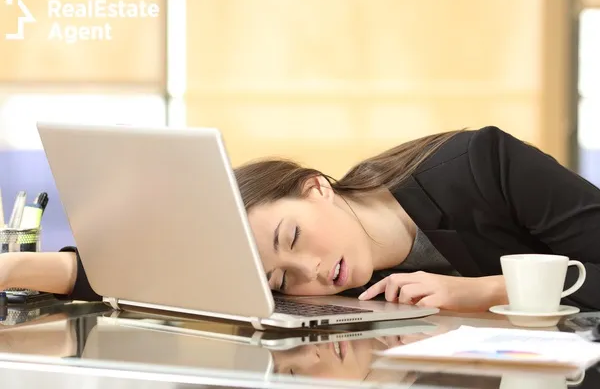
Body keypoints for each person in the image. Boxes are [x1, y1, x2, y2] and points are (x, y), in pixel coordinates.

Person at [1, 126, 599, 311]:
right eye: (283, 280)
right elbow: (150, 272)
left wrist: (486, 290)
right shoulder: (319, 283)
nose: (311, 272)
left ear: (315, 187)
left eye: (291, 237)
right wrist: (15, 266)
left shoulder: (483, 164)